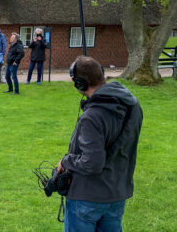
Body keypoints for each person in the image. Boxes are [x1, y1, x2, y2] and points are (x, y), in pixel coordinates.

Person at [57, 56, 143, 232]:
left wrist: (66, 161)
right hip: (117, 193)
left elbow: (92, 163)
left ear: (80, 84)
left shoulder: (92, 117)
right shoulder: (133, 106)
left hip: (87, 196)